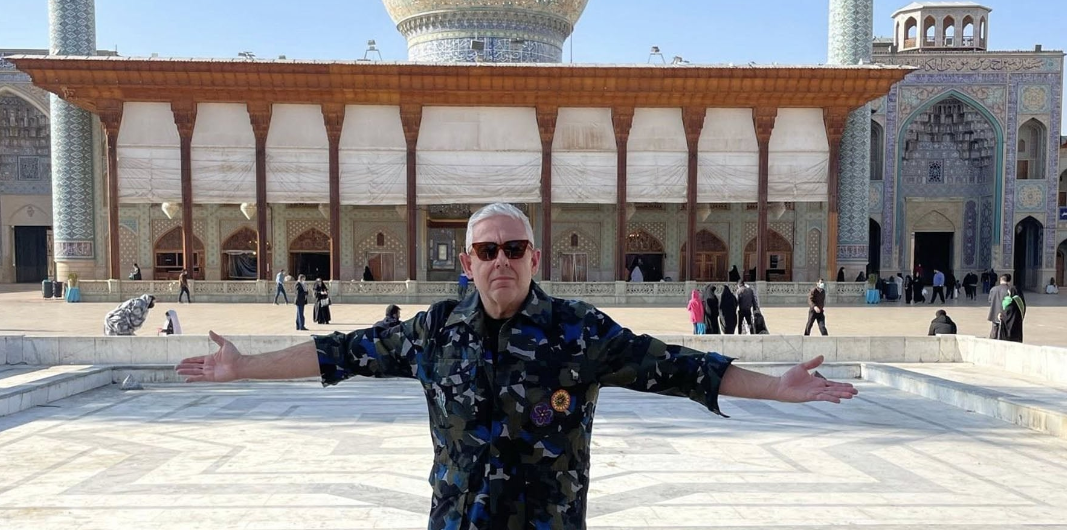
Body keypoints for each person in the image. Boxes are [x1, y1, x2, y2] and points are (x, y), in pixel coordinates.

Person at [176, 202, 857, 530]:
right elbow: (339, 352)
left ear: (534, 256)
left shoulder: (578, 331)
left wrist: (778, 387)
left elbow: (680, 367)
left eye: (513, 248)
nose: (500, 259)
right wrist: (244, 367)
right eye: (487, 250)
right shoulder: (434, 331)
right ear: (467, 262)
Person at [987, 274, 1013, 339]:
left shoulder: (993, 289)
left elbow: (990, 300)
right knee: (1003, 333)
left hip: (994, 313)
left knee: (994, 331)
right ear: (1009, 281)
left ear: (1000, 280)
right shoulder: (1010, 290)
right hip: (1005, 315)